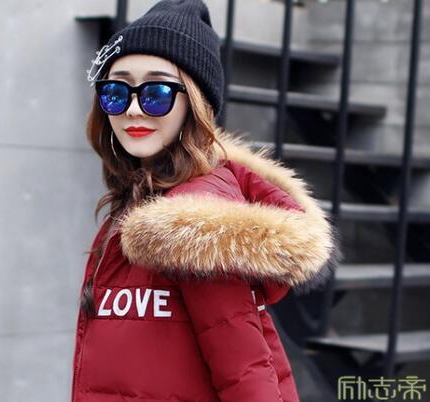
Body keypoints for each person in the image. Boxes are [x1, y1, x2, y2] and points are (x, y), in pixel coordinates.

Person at [71, 1, 340, 401]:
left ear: (196, 103)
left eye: (157, 92)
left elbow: (247, 377)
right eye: (115, 91)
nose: (132, 108)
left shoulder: (193, 224)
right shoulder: (143, 200)